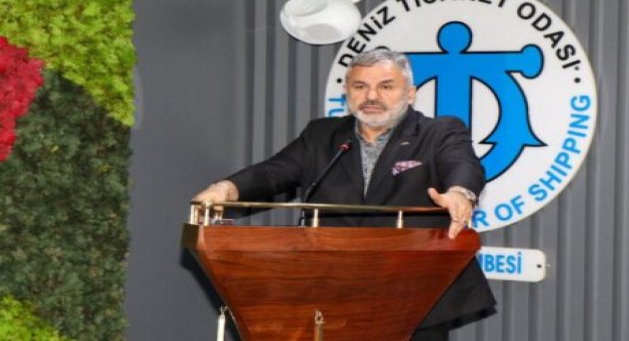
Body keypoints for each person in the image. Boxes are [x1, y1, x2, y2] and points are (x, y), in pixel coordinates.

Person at [192, 49, 495, 340]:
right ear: (347, 92)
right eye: (360, 86)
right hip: (333, 290)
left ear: (410, 94)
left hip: (415, 294)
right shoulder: (321, 135)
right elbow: (273, 172)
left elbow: (463, 165)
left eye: (386, 86)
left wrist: (460, 193)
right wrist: (226, 188)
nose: (372, 96)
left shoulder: (440, 131)